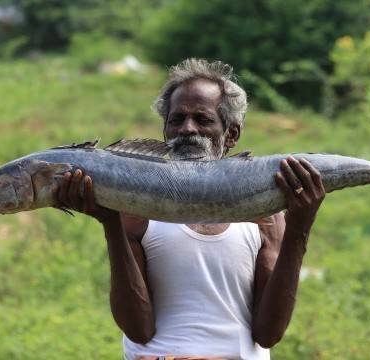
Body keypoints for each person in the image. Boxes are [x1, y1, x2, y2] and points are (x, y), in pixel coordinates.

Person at [53, 58, 325, 359]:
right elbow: (139, 330)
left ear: (232, 134)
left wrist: (299, 228)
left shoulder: (264, 216)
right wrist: (110, 222)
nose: (187, 129)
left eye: (203, 119)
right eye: (176, 119)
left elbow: (268, 334)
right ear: (165, 129)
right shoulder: (135, 208)